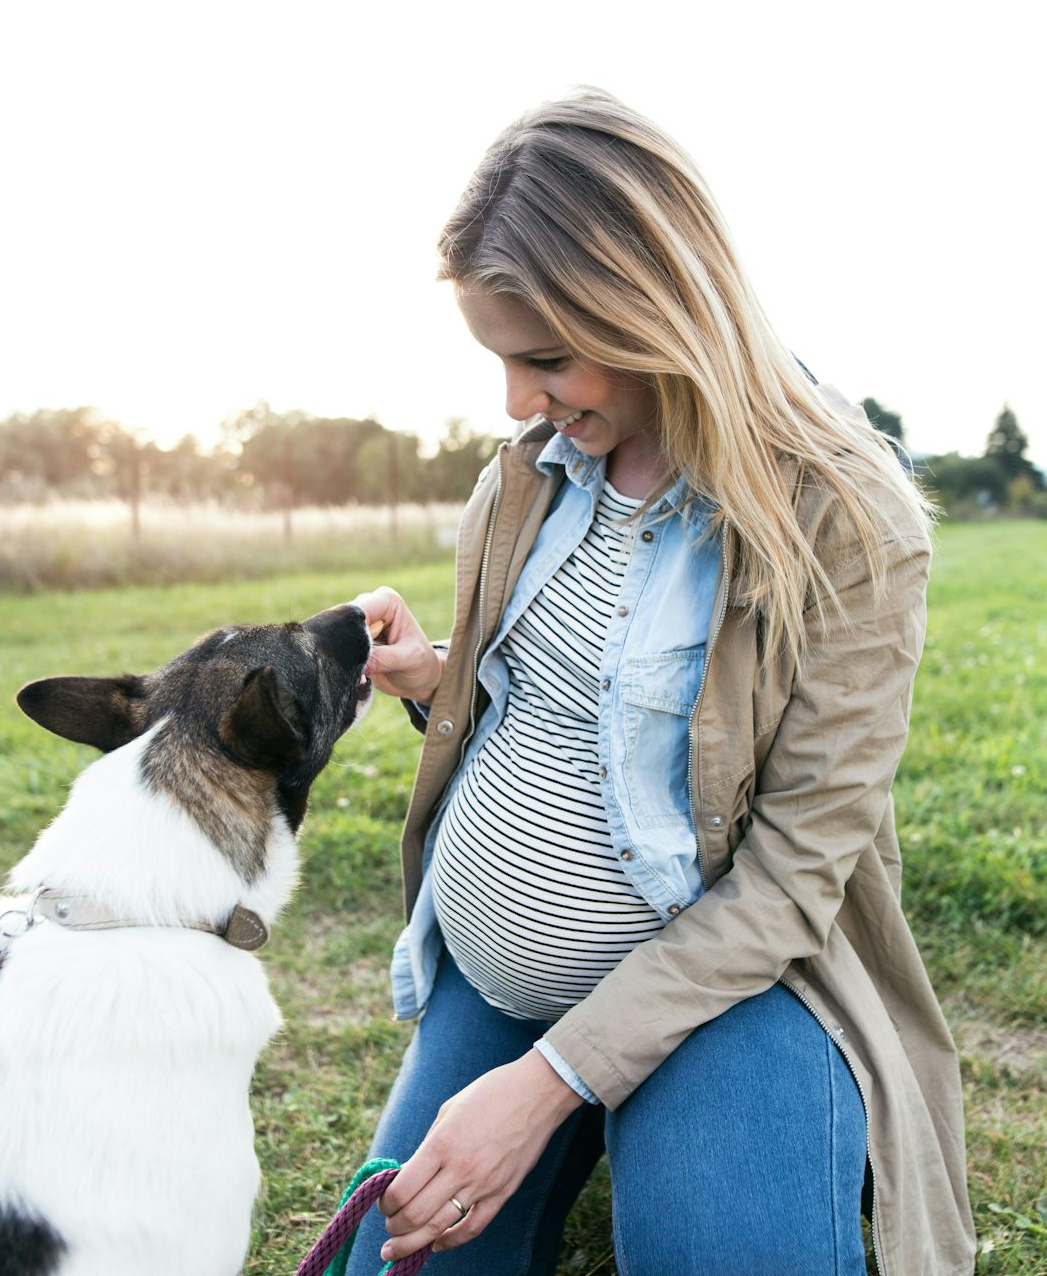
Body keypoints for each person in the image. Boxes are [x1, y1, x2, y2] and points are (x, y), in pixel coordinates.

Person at [346, 87, 975, 1275]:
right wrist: (435, 677)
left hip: (724, 990)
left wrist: (546, 1084)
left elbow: (795, 872)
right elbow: (554, 710)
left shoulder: (848, 519)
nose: (517, 405)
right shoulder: (531, 470)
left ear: (653, 309)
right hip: (493, 983)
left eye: (543, 360)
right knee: (388, 1260)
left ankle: (670, 1122)